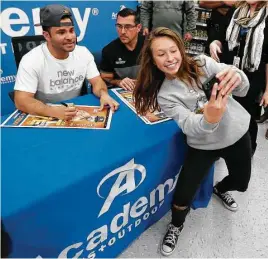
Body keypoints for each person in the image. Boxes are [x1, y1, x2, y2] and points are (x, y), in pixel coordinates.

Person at [134, 27, 251, 256]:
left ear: (180, 49)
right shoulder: (165, 95)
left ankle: (220, 188)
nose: (170, 58)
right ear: (152, 60)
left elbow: (243, 89)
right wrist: (209, 120)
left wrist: (238, 75)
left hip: (236, 134)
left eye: (173, 50)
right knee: (184, 193)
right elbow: (189, 126)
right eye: (161, 54)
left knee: (242, 182)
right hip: (203, 145)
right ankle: (176, 224)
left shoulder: (201, 64)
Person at [14, 4, 119, 120]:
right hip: (45, 115)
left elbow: (97, 81)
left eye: (71, 30)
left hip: (74, 112)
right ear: (47, 36)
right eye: (61, 32)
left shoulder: (83, 53)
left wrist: (103, 94)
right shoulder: (31, 59)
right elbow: (21, 100)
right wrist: (52, 111)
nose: (70, 37)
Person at [209, 1, 268, 155]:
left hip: (253, 75)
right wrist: (214, 44)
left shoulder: (266, 16)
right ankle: (224, 145)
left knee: (246, 112)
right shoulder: (236, 11)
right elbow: (221, 37)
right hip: (229, 70)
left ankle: (247, 150)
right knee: (225, 107)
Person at [100, 8, 145, 91]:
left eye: (128, 26)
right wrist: (119, 82)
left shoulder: (150, 45)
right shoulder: (109, 51)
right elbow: (105, 79)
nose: (123, 31)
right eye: (119, 26)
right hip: (124, 93)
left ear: (138, 28)